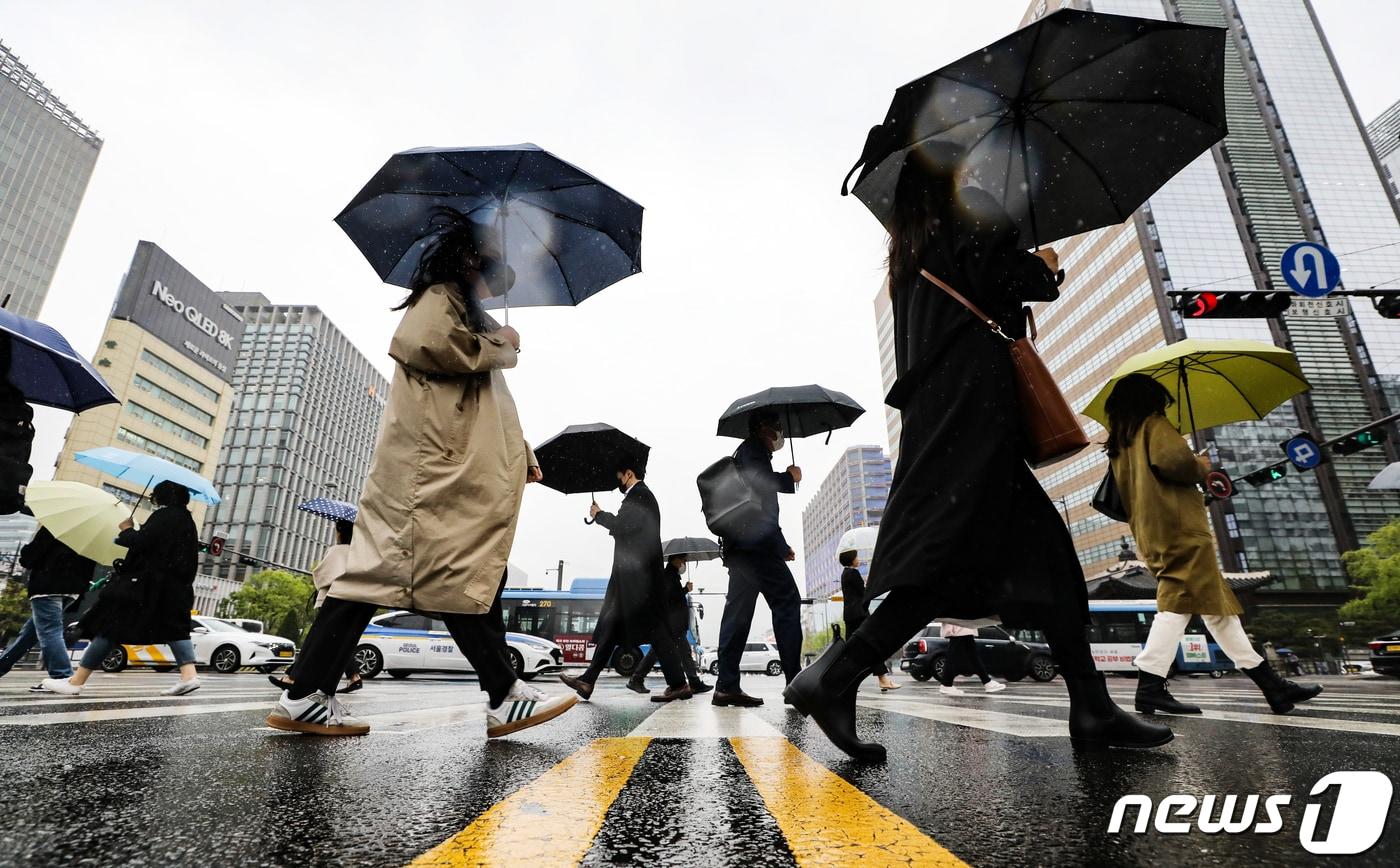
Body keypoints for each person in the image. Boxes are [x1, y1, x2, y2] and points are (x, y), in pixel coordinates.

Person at [785, 144, 1171, 760]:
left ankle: (1090, 705)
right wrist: (1044, 265)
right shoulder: (974, 216)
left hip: (942, 417)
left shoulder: (909, 250)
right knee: (956, 561)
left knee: (1024, 560)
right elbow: (1018, 283)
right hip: (975, 414)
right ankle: (834, 677)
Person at [265, 211, 575, 737]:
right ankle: (503, 693)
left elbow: (482, 401)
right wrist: (504, 345)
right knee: (450, 571)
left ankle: (305, 693)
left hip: (435, 469)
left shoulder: (463, 312)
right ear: (468, 258)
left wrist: (519, 452)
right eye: (489, 266)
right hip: (427, 473)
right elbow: (425, 345)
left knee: (391, 576)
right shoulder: (440, 301)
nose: (492, 280)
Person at [1103, 374, 1323, 716]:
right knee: (1177, 604)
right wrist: (1200, 464)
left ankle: (1272, 687)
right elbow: (1176, 464)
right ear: (1150, 400)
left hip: (1153, 529)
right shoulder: (1154, 425)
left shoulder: (1121, 441)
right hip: (1180, 528)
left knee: (1218, 610)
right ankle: (1149, 684)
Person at [42, 480, 202, 697]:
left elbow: (142, 542)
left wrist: (127, 530)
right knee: (175, 628)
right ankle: (189, 675)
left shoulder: (165, 516)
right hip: (175, 588)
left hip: (144, 587)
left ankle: (76, 681)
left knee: (110, 627)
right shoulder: (186, 520)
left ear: (163, 496)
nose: (153, 501)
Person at [559, 458, 694, 703]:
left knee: (654, 631)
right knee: (615, 624)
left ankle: (678, 684)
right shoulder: (641, 497)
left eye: (619, 476)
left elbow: (623, 526)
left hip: (638, 581)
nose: (618, 482)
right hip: (635, 580)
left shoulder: (640, 495)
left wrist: (599, 515)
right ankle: (588, 680)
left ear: (629, 473)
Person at [712, 411, 804, 707]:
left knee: (737, 617)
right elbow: (761, 486)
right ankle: (795, 682)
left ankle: (726, 685)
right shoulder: (753, 452)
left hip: (743, 549)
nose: (779, 432)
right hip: (755, 549)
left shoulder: (745, 452)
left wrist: (781, 545)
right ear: (762, 428)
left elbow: (756, 507)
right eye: (776, 426)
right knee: (787, 602)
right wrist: (789, 478)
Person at [268, 519, 362, 693]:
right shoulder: (359, 553)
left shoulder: (337, 551)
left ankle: (292, 677)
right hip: (352, 603)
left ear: (340, 531)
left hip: (332, 601)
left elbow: (322, 576)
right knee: (340, 642)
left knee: (315, 640)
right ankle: (351, 676)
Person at [0, 525, 96, 689]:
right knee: (29, 634)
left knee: (50, 630)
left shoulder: (56, 526)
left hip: (47, 586)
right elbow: (90, 566)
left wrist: (27, 549)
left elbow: (29, 558)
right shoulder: (88, 533)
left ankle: (63, 676)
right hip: (71, 590)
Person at [626, 554, 712, 695]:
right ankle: (694, 682)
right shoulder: (668, 575)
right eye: (683, 559)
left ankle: (637, 679)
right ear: (675, 560)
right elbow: (669, 597)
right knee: (675, 653)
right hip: (673, 623)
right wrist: (685, 590)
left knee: (666, 652)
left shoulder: (671, 575)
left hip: (674, 623)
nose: (684, 562)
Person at [837, 549, 898, 692]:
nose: (858, 559)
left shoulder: (845, 574)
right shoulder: (853, 573)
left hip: (850, 615)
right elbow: (863, 594)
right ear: (851, 559)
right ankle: (883, 680)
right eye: (856, 557)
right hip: (859, 615)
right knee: (872, 645)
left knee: (852, 650)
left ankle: (848, 681)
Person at [935, 623, 1003, 695]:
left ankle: (987, 682)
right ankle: (946, 685)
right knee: (957, 655)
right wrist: (950, 627)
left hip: (963, 626)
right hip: (960, 626)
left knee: (972, 655)